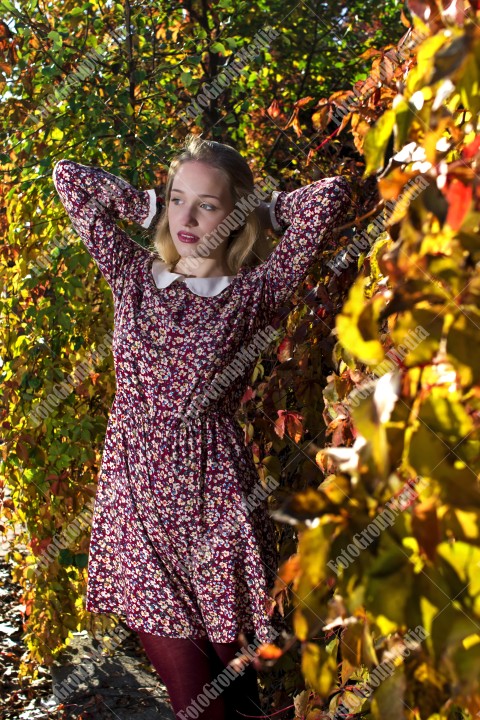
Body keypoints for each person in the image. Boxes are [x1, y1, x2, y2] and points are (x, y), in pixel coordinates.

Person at [52, 133, 352, 719]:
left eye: (208, 204)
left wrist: (263, 211)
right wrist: (143, 203)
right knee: (195, 702)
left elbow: (333, 195)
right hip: (135, 510)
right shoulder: (133, 276)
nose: (186, 217)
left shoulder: (255, 291)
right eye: (177, 199)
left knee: (239, 698)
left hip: (215, 510)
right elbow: (68, 176)